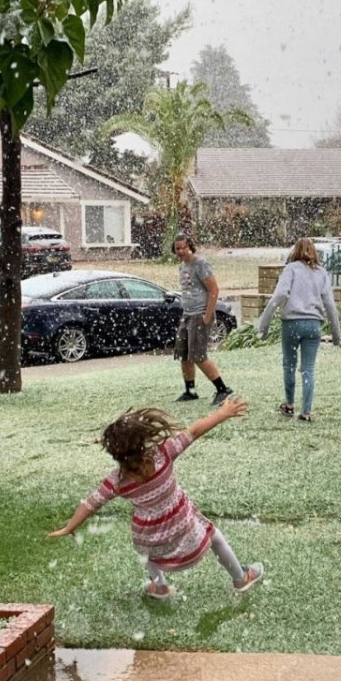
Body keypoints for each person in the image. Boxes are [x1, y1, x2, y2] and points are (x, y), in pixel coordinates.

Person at [48, 397, 264, 600]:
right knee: (214, 537)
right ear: (142, 442)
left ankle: (160, 586)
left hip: (149, 536)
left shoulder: (117, 481)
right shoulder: (163, 454)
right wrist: (222, 413)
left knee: (146, 552)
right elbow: (194, 431)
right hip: (182, 526)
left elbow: (89, 504)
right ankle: (240, 578)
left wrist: (68, 527)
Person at [257, 237, 341, 422]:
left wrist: (263, 326)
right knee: (308, 368)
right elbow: (330, 304)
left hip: (292, 323)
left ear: (294, 251)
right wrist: (336, 335)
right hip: (313, 325)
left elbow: (279, 295)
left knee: (289, 364)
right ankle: (306, 411)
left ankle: (289, 404)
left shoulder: (291, 269)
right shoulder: (321, 273)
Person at [172, 232, 234, 405]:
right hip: (187, 314)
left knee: (199, 355)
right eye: (178, 248)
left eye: (184, 247)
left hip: (200, 315)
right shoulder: (182, 266)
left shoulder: (200, 264)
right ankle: (190, 391)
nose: (181, 251)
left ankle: (223, 389)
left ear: (190, 246)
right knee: (183, 354)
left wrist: (207, 316)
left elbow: (214, 290)